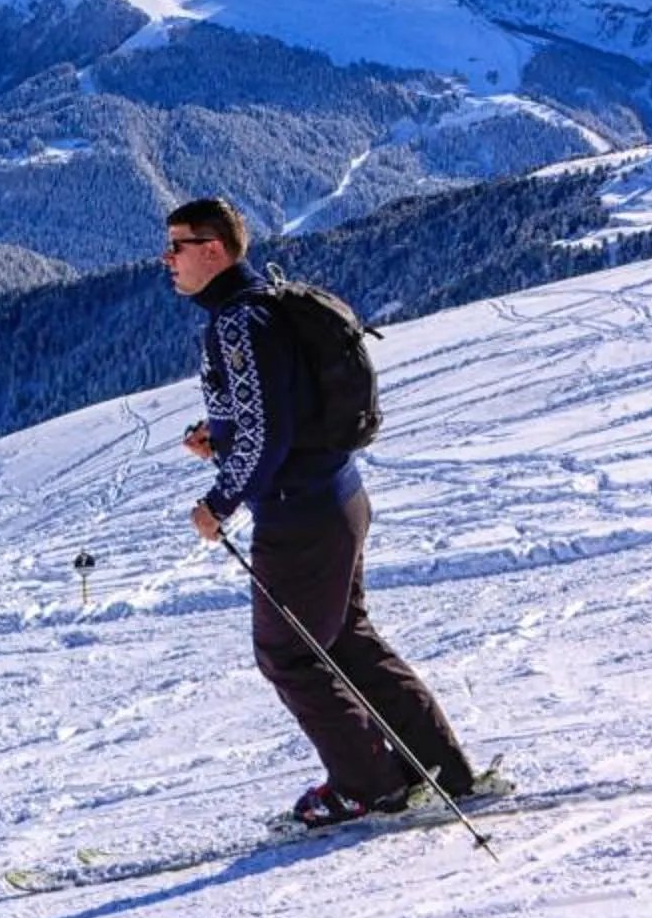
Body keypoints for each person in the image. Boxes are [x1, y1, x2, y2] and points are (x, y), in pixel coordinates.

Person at [166, 195, 473, 826]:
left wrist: (218, 502)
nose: (167, 260)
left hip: (299, 517)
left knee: (291, 654)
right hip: (338, 497)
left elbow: (268, 432)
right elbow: (277, 411)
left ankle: (368, 787)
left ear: (214, 250)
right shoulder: (262, 309)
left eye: (177, 246)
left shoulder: (236, 324)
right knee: (343, 638)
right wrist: (216, 435)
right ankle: (440, 769)